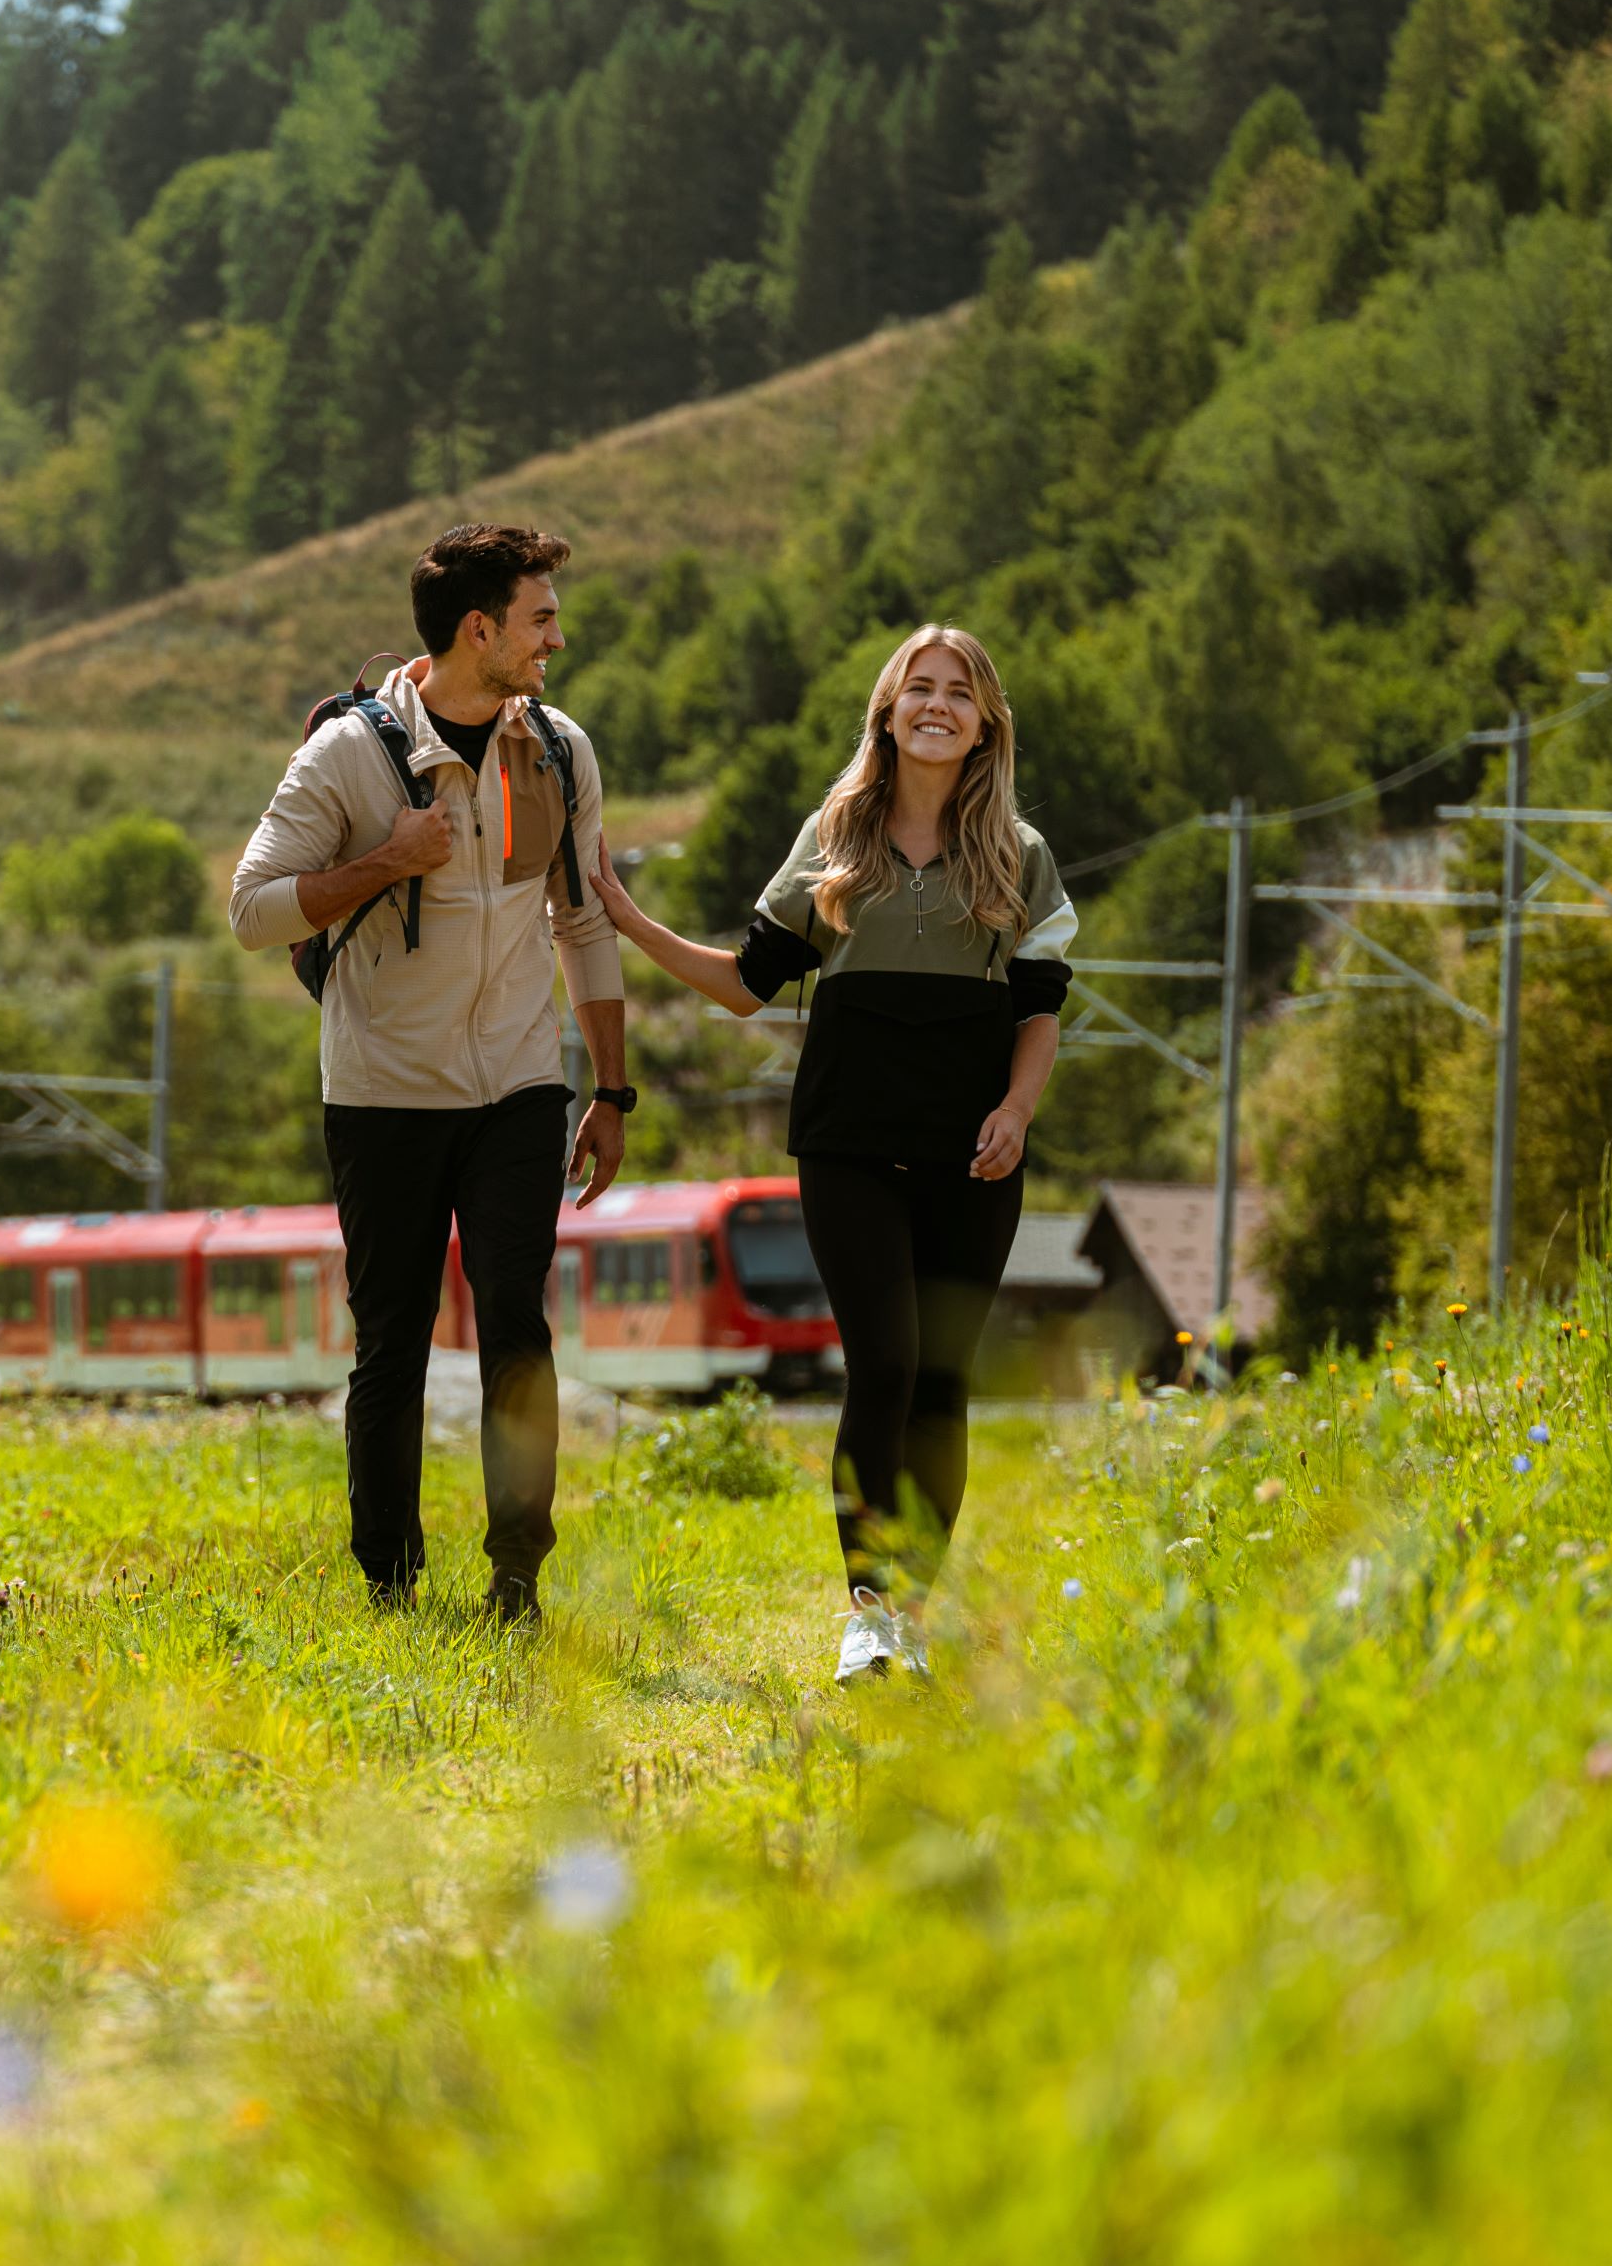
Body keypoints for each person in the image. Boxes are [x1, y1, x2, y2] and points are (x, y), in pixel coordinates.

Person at [590, 624, 1073, 1684]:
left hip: (973, 1154)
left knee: (941, 1380)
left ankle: (916, 1614)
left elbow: (1040, 1009)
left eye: (959, 692)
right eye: (919, 687)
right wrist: (625, 915)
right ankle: (869, 1612)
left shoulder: (1020, 854)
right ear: (887, 713)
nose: (938, 704)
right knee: (885, 1364)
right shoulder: (833, 836)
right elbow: (745, 984)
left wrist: (1017, 1108)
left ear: (985, 722)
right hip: (849, 1144)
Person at [228, 522, 628, 1624]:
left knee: (516, 1325)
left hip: (519, 1086)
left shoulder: (558, 750)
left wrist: (611, 1089)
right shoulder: (348, 754)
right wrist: (383, 863)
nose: (557, 639)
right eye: (541, 620)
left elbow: (583, 923)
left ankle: (517, 1575)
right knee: (393, 1342)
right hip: (383, 1094)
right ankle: (390, 1581)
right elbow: (251, 910)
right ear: (479, 630)